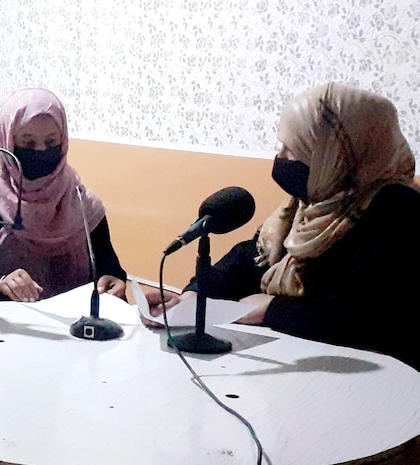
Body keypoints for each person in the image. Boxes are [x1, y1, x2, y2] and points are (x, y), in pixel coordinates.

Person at [142, 82, 420, 371]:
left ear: (337, 153)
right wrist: (193, 297)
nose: (281, 157)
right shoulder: (311, 204)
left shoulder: (399, 212)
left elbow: (370, 320)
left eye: (296, 148)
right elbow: (250, 259)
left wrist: (272, 311)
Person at [0, 87, 127, 303]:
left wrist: (115, 282)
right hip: (8, 334)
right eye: (28, 143)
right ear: (7, 141)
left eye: (51, 142)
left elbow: (110, 272)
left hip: (77, 331)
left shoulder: (83, 206)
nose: (40, 151)